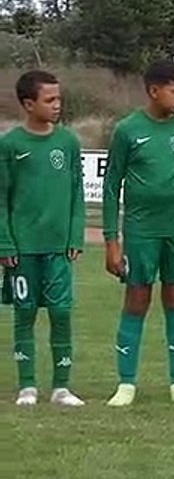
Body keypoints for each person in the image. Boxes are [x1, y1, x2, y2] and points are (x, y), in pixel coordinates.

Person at [102, 59, 174, 407]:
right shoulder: (127, 130)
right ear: (154, 90)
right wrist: (111, 241)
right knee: (137, 300)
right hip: (140, 231)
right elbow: (110, 187)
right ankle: (126, 384)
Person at [0, 70, 85, 407]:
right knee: (25, 313)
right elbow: (1, 199)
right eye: (49, 100)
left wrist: (75, 233)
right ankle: (27, 386)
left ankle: (61, 387)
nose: (57, 105)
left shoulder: (67, 142)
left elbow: (77, 192)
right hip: (22, 248)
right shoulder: (10, 145)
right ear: (27, 103)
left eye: (58, 99)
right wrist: (5, 243)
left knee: (61, 313)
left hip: (58, 248)